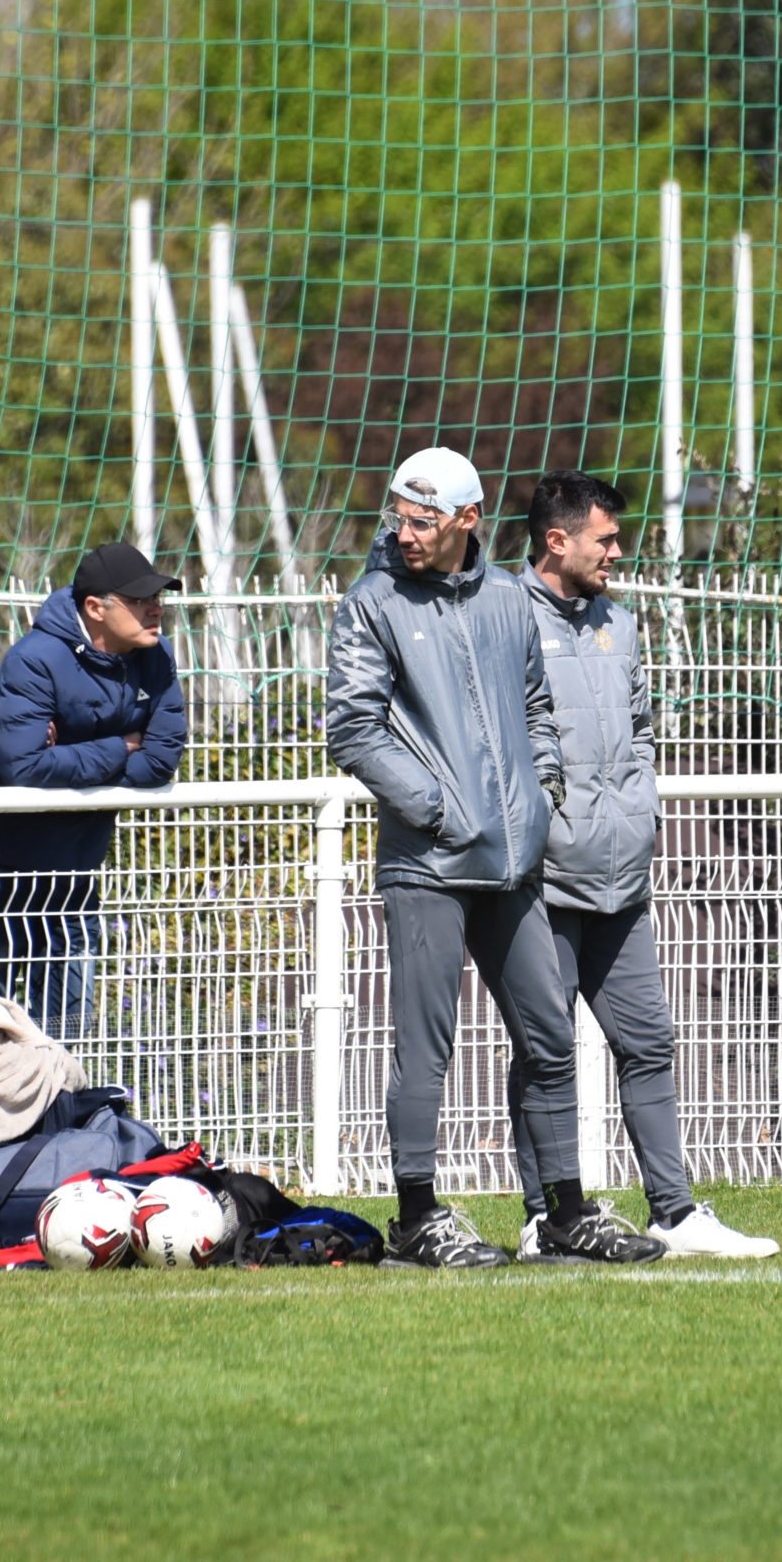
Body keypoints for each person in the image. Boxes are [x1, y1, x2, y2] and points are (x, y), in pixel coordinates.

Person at [325, 447, 665, 1268]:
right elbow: (353, 727)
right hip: (428, 866)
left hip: (513, 865)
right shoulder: (371, 605)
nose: (405, 533)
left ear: (468, 520)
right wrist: (437, 808)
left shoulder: (509, 600)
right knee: (426, 1050)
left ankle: (566, 1215)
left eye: (423, 520)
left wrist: (539, 791)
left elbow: (537, 707)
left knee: (550, 1035)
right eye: (399, 517)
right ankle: (416, 1218)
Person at [508, 471, 779, 1261]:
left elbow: (640, 731)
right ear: (557, 540)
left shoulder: (619, 624)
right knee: (545, 1048)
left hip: (620, 875)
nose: (617, 552)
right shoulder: (502, 618)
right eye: (606, 539)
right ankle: (543, 1218)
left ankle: (675, 1211)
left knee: (650, 1040)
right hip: (542, 881)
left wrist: (640, 815)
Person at [0, 542, 187, 1042]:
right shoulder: (33, 659)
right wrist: (122, 745)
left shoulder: (157, 655)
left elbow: (160, 761)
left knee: (65, 1030)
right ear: (96, 608)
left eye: (157, 597)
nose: (156, 609)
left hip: (73, 866)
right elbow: (25, 767)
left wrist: (68, 758)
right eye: (140, 600)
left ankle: (58, 1096)